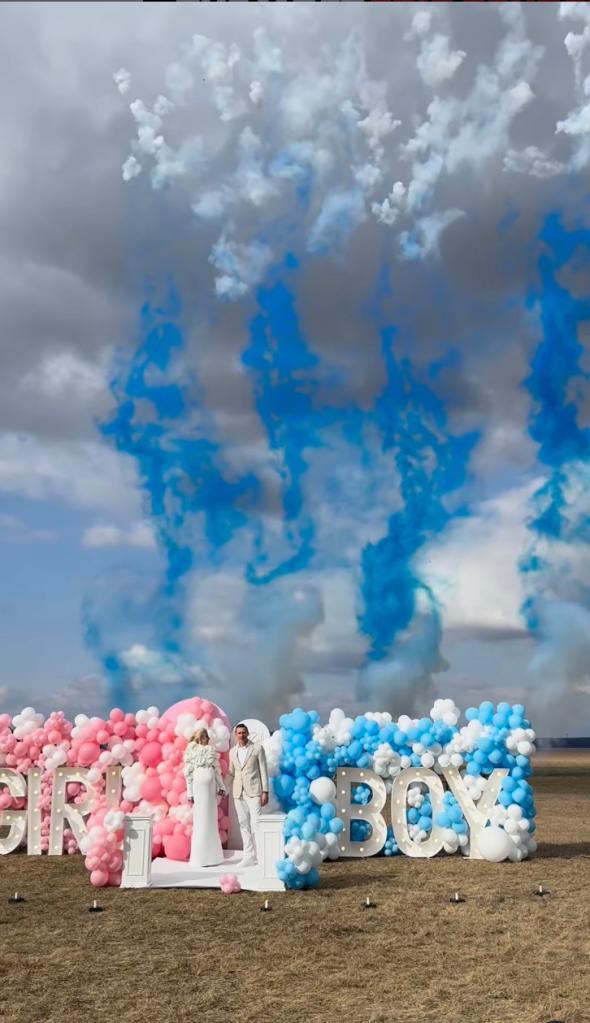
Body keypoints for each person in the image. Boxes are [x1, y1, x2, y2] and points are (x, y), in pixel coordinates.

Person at [183, 727, 227, 868]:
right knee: (200, 820)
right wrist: (190, 793)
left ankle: (213, 857)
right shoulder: (191, 752)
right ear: (201, 738)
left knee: (210, 820)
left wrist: (221, 786)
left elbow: (217, 772)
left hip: (210, 790)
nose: (208, 739)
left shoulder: (211, 752)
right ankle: (199, 858)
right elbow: (188, 775)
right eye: (206, 736)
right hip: (199, 791)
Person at [227, 723, 269, 867]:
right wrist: (222, 785)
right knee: (243, 824)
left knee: (256, 824)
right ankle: (248, 856)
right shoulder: (232, 752)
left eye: (244, 732)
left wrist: (265, 791)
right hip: (238, 792)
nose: (241, 735)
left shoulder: (257, 748)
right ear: (235, 735)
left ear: (248, 733)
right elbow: (231, 772)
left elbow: (264, 770)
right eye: (239, 733)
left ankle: (261, 855)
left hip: (255, 791)